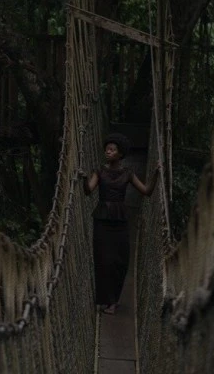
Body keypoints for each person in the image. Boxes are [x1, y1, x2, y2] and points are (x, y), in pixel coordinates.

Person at [80, 133, 161, 315]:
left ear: (120, 154)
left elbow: (147, 191)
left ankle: (114, 301)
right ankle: (106, 300)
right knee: (103, 260)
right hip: (102, 220)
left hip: (120, 221)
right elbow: (88, 191)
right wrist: (84, 178)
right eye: (107, 149)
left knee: (120, 260)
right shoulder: (99, 172)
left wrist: (156, 174)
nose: (108, 152)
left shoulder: (128, 173)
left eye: (112, 149)